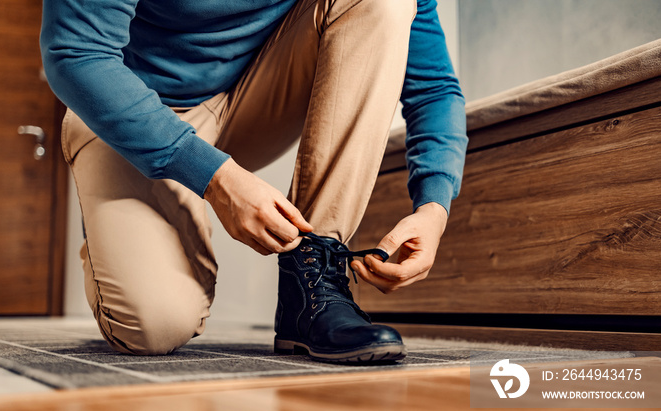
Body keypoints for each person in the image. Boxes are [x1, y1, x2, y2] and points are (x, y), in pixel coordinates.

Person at [40, 0, 467, 364]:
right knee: (154, 325)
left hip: (255, 95)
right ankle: (121, 214)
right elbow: (76, 53)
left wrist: (434, 205)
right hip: (136, 105)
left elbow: (432, 87)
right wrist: (214, 177)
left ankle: (312, 282)